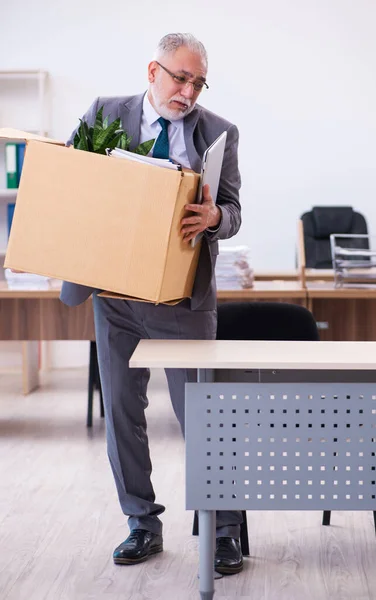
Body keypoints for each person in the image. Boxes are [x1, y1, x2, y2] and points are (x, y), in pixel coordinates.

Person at [60, 32, 243, 574]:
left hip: (184, 299)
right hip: (115, 294)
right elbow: (72, 181)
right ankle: (142, 525)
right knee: (121, 413)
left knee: (206, 418)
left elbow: (233, 210)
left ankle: (225, 530)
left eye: (197, 81)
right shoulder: (105, 112)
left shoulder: (220, 131)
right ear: (152, 71)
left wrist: (215, 218)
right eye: (179, 77)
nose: (187, 91)